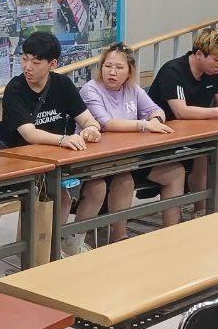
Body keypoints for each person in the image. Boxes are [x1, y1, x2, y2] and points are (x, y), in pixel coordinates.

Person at [0, 31, 104, 257]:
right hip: (23, 160)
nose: (28, 66)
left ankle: (72, 240)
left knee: (98, 187)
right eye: (24, 59)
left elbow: (86, 118)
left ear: (52, 64)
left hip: (59, 158)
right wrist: (63, 139)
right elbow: (29, 134)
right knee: (62, 194)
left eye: (35, 62)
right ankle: (46, 248)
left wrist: (92, 128)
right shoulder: (15, 89)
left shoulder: (62, 84)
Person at [79, 43, 186, 237]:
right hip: (99, 161)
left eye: (119, 68)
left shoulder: (133, 89)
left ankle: (172, 232)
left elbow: (157, 110)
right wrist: (144, 125)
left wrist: (155, 120)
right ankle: (120, 237)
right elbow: (105, 123)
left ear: (129, 72)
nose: (112, 72)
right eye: (107, 66)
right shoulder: (90, 89)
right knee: (124, 179)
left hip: (132, 156)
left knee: (176, 172)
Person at [147, 27, 218, 208]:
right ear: (199, 54)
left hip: (198, 134)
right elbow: (181, 112)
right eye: (216, 59)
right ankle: (202, 210)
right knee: (205, 156)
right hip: (167, 137)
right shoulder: (173, 71)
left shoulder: (213, 72)